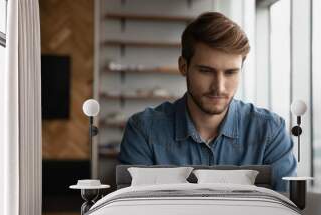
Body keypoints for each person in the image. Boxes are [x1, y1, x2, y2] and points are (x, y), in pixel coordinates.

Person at [118, 12, 296, 192]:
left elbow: (287, 210)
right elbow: (134, 212)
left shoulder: (270, 132)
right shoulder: (143, 130)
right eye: (206, 71)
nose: (219, 87)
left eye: (230, 72)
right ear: (183, 67)